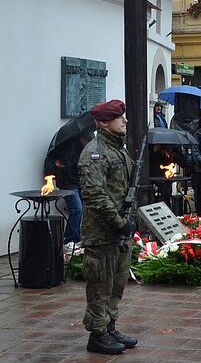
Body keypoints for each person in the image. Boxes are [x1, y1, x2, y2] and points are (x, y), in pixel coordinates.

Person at [77, 99, 138, 355]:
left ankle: (110, 326)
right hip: (102, 232)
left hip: (119, 232)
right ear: (103, 123)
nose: (124, 120)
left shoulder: (118, 150)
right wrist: (120, 223)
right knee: (100, 285)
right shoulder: (95, 153)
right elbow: (95, 196)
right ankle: (97, 335)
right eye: (118, 117)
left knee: (117, 283)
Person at [46, 131, 94, 245]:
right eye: (88, 143)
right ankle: (70, 239)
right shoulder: (69, 149)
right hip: (68, 182)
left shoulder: (84, 148)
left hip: (79, 181)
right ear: (83, 139)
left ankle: (78, 237)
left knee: (84, 210)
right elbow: (69, 165)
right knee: (77, 209)